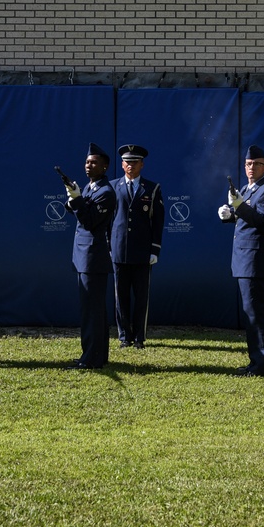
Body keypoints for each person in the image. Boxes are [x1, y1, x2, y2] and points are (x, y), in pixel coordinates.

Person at [218, 145, 264, 378]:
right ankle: (256, 362)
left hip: (256, 261)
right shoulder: (246, 188)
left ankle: (262, 366)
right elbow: (244, 217)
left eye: (256, 164)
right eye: (247, 164)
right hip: (244, 260)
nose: (250, 168)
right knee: (250, 314)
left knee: (257, 315)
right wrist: (230, 214)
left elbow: (262, 222)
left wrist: (239, 207)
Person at [63, 142, 116, 370]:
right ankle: (96, 355)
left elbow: (90, 220)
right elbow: (80, 208)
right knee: (93, 310)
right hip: (85, 256)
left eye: (93, 162)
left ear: (104, 167)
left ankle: (91, 358)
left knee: (92, 311)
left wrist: (76, 200)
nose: (88, 165)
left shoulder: (105, 191)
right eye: (86, 162)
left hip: (93, 256)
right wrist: (73, 198)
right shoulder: (90, 187)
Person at [110, 144, 164, 349]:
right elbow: (109, 220)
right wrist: (109, 246)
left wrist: (154, 249)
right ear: (122, 165)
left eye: (134, 162)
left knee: (141, 297)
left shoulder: (152, 188)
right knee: (120, 296)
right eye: (126, 162)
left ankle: (139, 337)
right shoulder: (114, 187)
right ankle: (124, 336)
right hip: (119, 250)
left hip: (142, 252)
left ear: (142, 164)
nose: (130, 166)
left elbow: (158, 222)